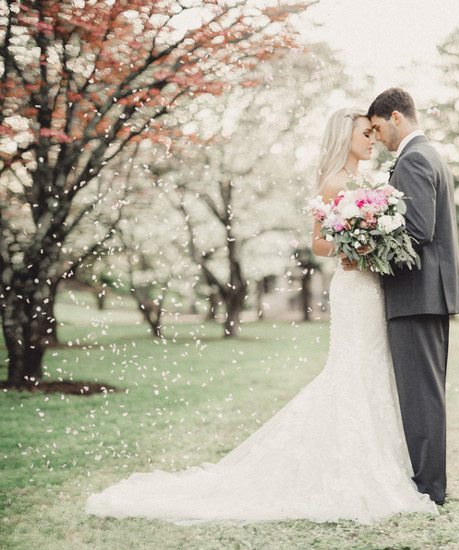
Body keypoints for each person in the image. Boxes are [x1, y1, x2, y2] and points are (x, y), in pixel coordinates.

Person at [83, 107, 438, 525]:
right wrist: (356, 243)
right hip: (354, 287)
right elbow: (319, 243)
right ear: (346, 136)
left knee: (376, 371)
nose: (373, 139)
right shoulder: (334, 183)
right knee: (355, 368)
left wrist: (375, 238)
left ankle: (386, 464)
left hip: (374, 286)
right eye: (365, 132)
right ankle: (351, 471)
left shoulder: (371, 181)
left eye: (373, 132)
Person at [367, 88, 459, 505]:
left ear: (396, 117)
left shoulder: (412, 159)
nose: (377, 138)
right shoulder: (430, 155)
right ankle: (429, 482)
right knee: (425, 392)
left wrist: (367, 242)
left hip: (418, 295)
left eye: (377, 128)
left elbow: (417, 230)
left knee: (421, 395)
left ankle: (428, 488)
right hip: (429, 295)